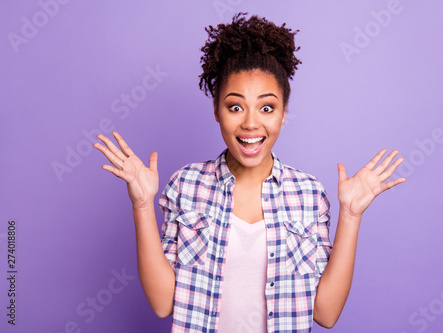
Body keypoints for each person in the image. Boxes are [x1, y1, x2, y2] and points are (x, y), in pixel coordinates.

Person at [93, 12, 406, 333]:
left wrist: (351, 216)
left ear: (284, 113)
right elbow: (162, 304)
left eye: (267, 107)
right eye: (235, 106)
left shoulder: (308, 193)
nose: (251, 123)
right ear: (217, 111)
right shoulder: (185, 184)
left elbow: (325, 313)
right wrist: (142, 205)